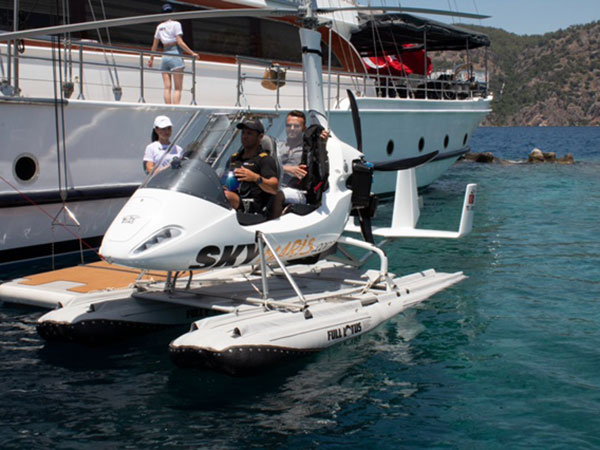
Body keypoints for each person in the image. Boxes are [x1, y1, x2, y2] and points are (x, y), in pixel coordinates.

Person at [271, 110, 328, 218]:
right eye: (289, 125)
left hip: (298, 191)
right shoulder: (277, 146)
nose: (291, 129)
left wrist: (323, 143)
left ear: (303, 128)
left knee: (277, 195)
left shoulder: (308, 150)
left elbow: (321, 160)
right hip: (275, 185)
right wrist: (287, 169)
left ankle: (272, 226)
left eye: (296, 126)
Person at [223, 119, 279, 215]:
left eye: (249, 134)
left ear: (260, 137)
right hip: (233, 197)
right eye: (243, 133)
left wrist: (255, 178)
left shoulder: (264, 160)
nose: (244, 137)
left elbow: (274, 187)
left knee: (225, 197)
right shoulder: (234, 158)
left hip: (252, 206)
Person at [148, 3, 199, 104]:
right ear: (172, 12)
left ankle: (168, 108)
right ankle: (176, 108)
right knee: (178, 88)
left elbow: (154, 46)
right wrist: (192, 53)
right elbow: (180, 42)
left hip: (165, 56)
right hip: (175, 54)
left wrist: (151, 59)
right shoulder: (176, 24)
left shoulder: (159, 27)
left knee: (167, 87)